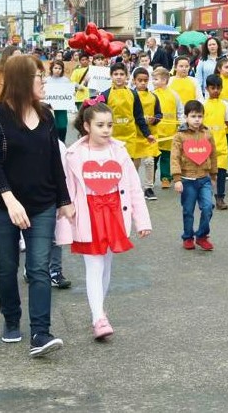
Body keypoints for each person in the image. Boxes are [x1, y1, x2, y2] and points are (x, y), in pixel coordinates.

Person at [0, 54, 74, 357]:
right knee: (7, 266)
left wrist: (64, 201)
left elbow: (54, 162)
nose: (44, 81)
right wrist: (10, 201)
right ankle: (11, 318)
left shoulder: (46, 115)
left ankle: (40, 333)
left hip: (42, 204)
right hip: (0, 206)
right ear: (22, 80)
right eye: (39, 76)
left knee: (38, 267)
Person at [57, 101, 151, 339]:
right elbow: (65, 187)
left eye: (109, 125)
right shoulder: (74, 154)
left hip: (114, 212)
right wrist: (64, 213)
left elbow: (134, 187)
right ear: (87, 126)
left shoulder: (119, 151)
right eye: (100, 125)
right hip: (87, 214)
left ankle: (98, 309)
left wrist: (142, 221)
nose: (106, 130)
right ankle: (98, 317)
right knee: (94, 265)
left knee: (106, 265)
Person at [172, 100, 218, 251]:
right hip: (187, 180)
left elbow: (213, 155)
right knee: (188, 211)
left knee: (208, 207)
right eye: (193, 116)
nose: (197, 119)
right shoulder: (179, 136)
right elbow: (175, 158)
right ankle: (188, 237)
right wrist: (177, 179)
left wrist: (213, 175)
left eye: (200, 116)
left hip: (204, 178)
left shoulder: (207, 134)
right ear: (186, 117)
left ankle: (202, 236)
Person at [100, 63, 155, 161]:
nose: (119, 77)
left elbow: (139, 116)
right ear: (111, 76)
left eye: (122, 74)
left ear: (126, 76)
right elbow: (100, 117)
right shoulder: (105, 95)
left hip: (130, 138)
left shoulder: (133, 94)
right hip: (112, 137)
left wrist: (147, 134)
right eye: (116, 74)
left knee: (127, 164)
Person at [201, 75, 228, 211]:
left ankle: (220, 197)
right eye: (212, 88)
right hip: (206, 144)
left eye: (218, 88)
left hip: (221, 144)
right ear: (207, 88)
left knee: (221, 172)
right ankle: (206, 198)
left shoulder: (224, 105)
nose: (216, 90)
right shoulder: (202, 105)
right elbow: (198, 122)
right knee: (207, 173)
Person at [130, 68, 162, 200]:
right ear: (134, 81)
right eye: (140, 80)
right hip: (135, 135)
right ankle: (134, 187)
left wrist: (155, 119)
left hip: (150, 135)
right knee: (135, 163)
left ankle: (149, 188)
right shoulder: (130, 96)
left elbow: (159, 114)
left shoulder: (153, 97)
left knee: (149, 161)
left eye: (145, 80)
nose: (143, 83)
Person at [152, 67, 183, 190]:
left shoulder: (174, 95)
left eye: (156, 79)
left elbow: (180, 111)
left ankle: (166, 178)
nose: (153, 81)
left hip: (170, 132)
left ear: (164, 80)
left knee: (167, 155)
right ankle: (151, 177)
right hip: (155, 130)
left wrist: (181, 124)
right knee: (153, 156)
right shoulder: (152, 94)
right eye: (153, 79)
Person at [46, 60, 71, 143]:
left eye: (60, 68)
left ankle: (62, 143)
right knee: (51, 127)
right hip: (50, 108)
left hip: (61, 108)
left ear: (62, 70)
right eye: (55, 68)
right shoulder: (46, 80)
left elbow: (69, 93)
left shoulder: (66, 80)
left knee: (62, 127)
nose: (57, 70)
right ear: (51, 69)